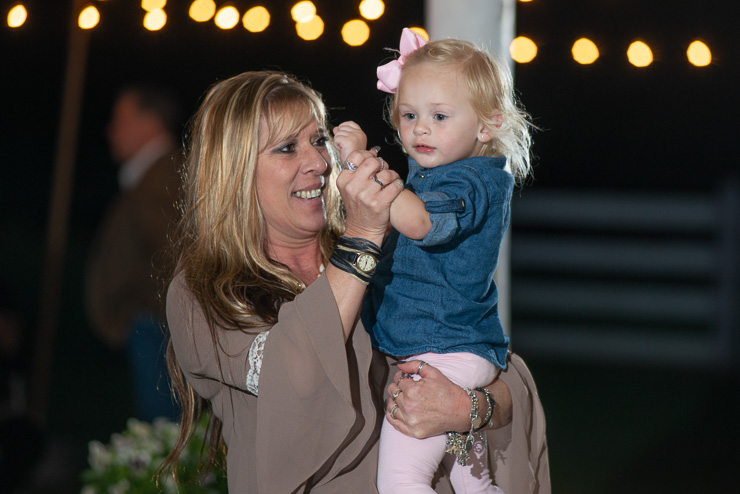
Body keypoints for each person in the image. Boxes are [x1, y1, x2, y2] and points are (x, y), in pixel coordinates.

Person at [160, 71, 532, 493]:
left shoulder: (388, 249)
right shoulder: (205, 289)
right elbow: (293, 376)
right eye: (287, 148)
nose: (320, 163)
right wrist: (361, 239)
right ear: (235, 170)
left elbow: (501, 373)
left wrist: (468, 406)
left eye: (320, 140)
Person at [333, 28, 534, 493]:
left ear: (486, 125)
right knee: (473, 486)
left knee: (400, 481)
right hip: (452, 351)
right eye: (410, 115)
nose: (420, 128)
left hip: (442, 353)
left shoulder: (470, 182)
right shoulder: (438, 177)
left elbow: (422, 222)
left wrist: (360, 162)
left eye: (439, 116)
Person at [85, 82, 182, 422]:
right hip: (150, 327)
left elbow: (176, 256)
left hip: (157, 329)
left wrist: (147, 310)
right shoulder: (150, 174)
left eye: (120, 120)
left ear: (150, 121)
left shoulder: (163, 176)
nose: (111, 131)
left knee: (163, 431)